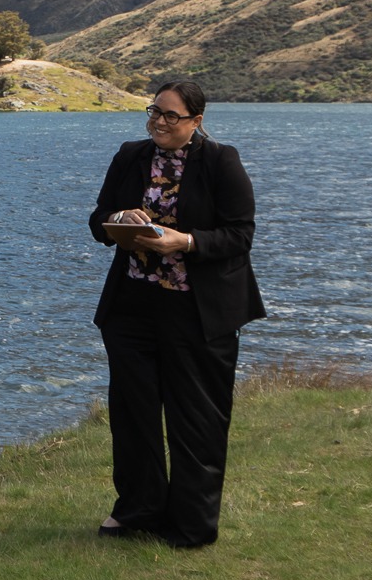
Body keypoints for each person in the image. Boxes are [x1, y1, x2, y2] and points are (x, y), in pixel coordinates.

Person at [89, 77, 266, 549]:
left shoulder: (220, 160)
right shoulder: (131, 155)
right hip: (131, 310)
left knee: (197, 420)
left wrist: (184, 241)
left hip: (198, 313)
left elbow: (240, 235)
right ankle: (138, 512)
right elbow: (98, 222)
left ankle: (191, 527)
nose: (159, 122)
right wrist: (120, 221)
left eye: (171, 115)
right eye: (154, 111)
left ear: (197, 121)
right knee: (134, 416)